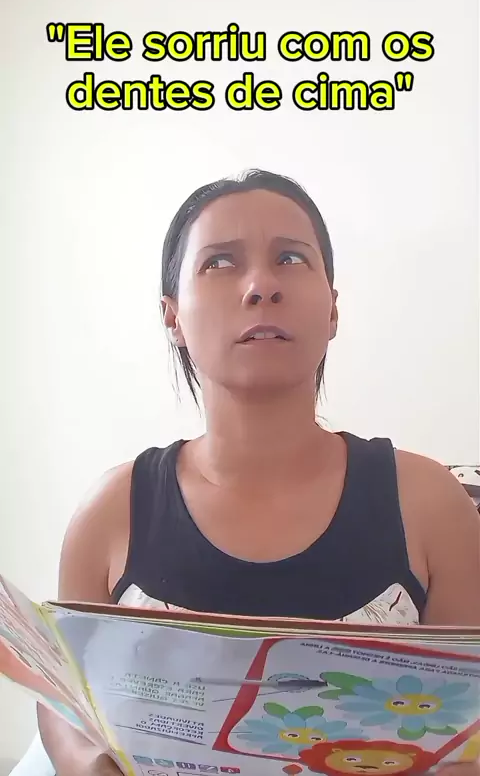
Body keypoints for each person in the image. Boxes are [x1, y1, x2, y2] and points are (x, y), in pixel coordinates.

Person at [37, 170, 480, 775]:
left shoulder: (429, 504)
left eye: (290, 259)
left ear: (333, 309)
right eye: (219, 263)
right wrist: (89, 764)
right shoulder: (111, 512)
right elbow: (64, 700)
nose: (260, 286)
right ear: (172, 316)